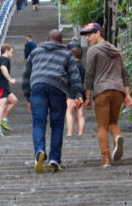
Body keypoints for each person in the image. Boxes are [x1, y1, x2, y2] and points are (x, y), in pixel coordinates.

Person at [22, 29, 85, 173]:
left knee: (39, 123)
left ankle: (39, 151)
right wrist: (78, 94)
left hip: (37, 87)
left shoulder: (35, 52)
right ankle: (55, 158)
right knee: (56, 125)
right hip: (58, 87)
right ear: (61, 41)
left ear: (46, 39)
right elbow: (74, 76)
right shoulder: (67, 53)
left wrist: (28, 97)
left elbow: (26, 75)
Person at [81, 22, 132, 168]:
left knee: (102, 126)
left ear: (99, 33)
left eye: (90, 34)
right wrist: (127, 95)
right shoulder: (116, 50)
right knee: (113, 122)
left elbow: (90, 74)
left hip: (102, 91)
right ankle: (117, 137)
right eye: (86, 35)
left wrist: (87, 96)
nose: (87, 38)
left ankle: (106, 160)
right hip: (118, 91)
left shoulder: (93, 50)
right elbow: (124, 73)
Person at [65, 45, 86, 138]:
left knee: (68, 112)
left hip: (72, 91)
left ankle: (70, 133)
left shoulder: (71, 66)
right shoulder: (82, 66)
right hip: (81, 91)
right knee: (80, 114)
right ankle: (80, 133)